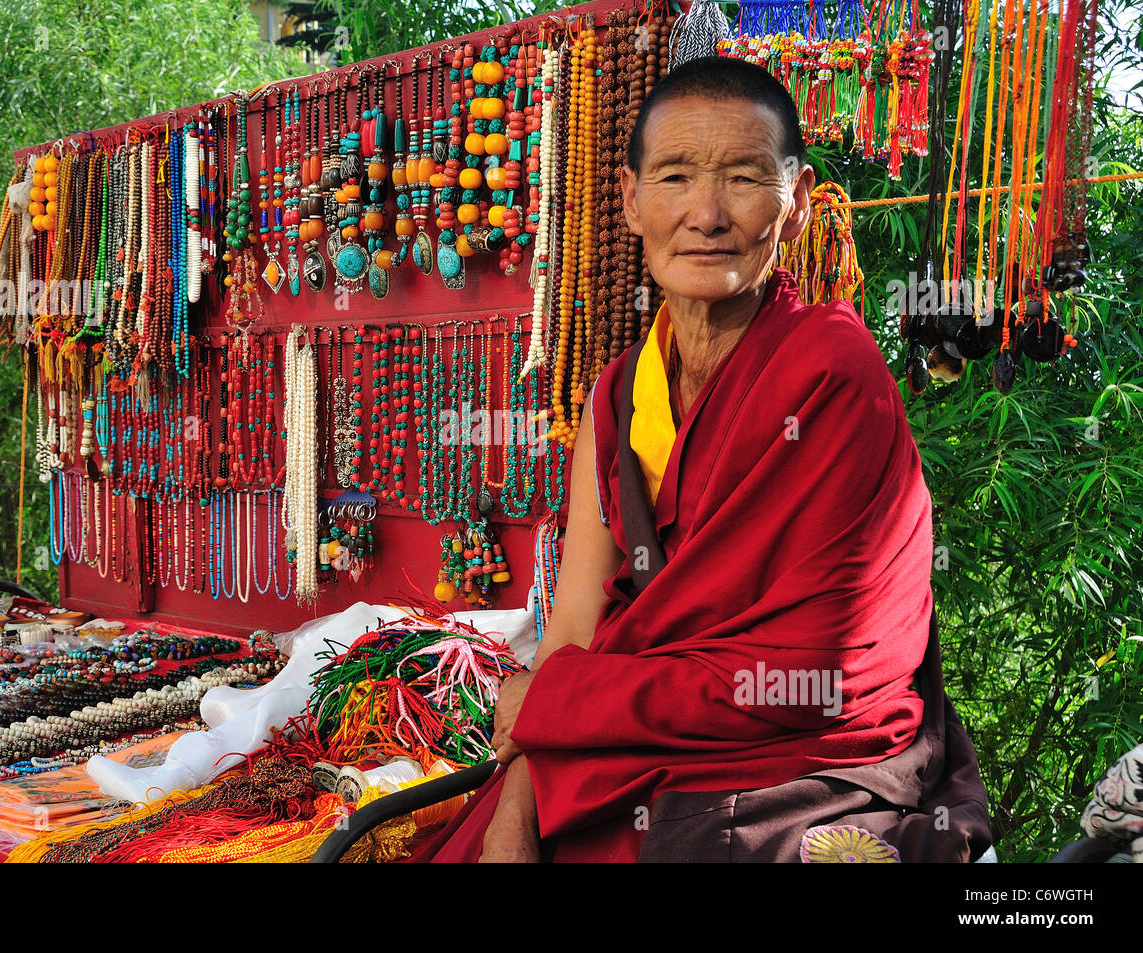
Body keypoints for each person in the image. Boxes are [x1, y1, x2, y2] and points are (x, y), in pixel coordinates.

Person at [410, 56, 992, 863]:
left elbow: (823, 667)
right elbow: (574, 628)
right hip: (621, 741)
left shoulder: (832, 373)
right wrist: (519, 800)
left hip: (797, 756)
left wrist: (563, 704)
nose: (707, 214)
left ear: (796, 208)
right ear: (630, 200)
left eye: (746, 179)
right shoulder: (619, 397)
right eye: (676, 176)